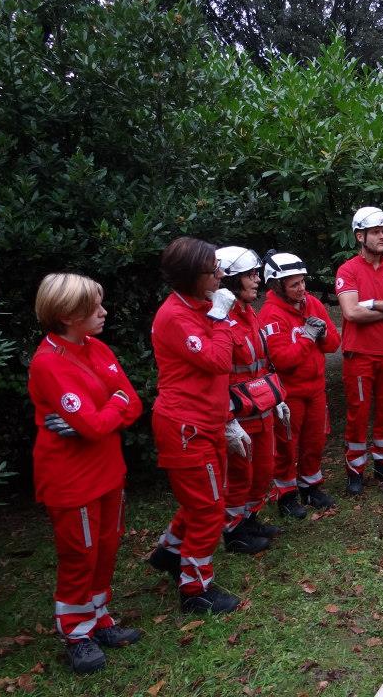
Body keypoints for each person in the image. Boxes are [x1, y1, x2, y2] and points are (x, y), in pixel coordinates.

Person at [28, 273, 143, 673]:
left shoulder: (96, 347)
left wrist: (106, 411)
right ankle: (75, 631)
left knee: (107, 545)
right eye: (93, 307)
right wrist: (111, 408)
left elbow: (133, 403)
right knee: (81, 553)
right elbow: (99, 421)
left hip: (107, 468)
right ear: (66, 315)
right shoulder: (48, 363)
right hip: (72, 478)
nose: (103, 312)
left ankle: (98, 617)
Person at [145, 236, 242, 614]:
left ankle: (170, 552)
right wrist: (220, 317)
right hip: (186, 427)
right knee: (208, 508)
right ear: (192, 277)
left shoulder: (197, 306)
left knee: (204, 498)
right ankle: (195, 588)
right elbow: (220, 359)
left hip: (207, 420)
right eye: (212, 270)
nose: (220, 274)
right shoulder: (177, 317)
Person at [335, 206, 383, 495]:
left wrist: (374, 304)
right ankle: (355, 468)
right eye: (376, 232)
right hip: (360, 354)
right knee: (358, 411)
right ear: (360, 236)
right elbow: (352, 313)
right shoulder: (348, 270)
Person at [258, 251, 341, 518]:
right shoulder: (271, 315)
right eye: (294, 284)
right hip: (288, 393)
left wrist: (323, 333)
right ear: (277, 286)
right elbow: (283, 360)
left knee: (315, 441)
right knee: (287, 445)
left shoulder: (312, 304)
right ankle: (286, 494)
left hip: (315, 389)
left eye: (303, 282)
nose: (302, 288)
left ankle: (311, 486)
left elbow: (333, 344)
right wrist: (307, 337)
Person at [215, 246, 287, 552]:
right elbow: (217, 376)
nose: (257, 280)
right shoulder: (219, 322)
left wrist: (276, 397)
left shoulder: (250, 315)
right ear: (231, 280)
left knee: (263, 469)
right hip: (239, 415)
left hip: (261, 408)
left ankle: (251, 518)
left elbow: (262, 362)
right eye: (250, 275)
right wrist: (228, 422)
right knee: (239, 475)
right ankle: (233, 531)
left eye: (256, 274)